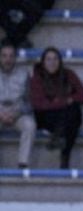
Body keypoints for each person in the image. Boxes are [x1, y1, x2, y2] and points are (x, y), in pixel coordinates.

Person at [28, 46, 83, 169]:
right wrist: (64, 101)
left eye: (55, 59)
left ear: (60, 61)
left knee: (75, 113)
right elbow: (39, 103)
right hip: (44, 116)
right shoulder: (37, 76)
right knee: (70, 116)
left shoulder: (68, 74)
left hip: (63, 116)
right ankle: (63, 151)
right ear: (43, 62)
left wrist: (63, 101)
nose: (52, 63)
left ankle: (59, 138)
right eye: (48, 59)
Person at [0, 39, 35, 169]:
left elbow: (29, 102)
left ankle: (23, 164)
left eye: (11, 56)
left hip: (18, 112)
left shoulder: (24, 74)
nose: (7, 60)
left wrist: (15, 113)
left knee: (30, 125)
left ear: (15, 58)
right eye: (4, 56)